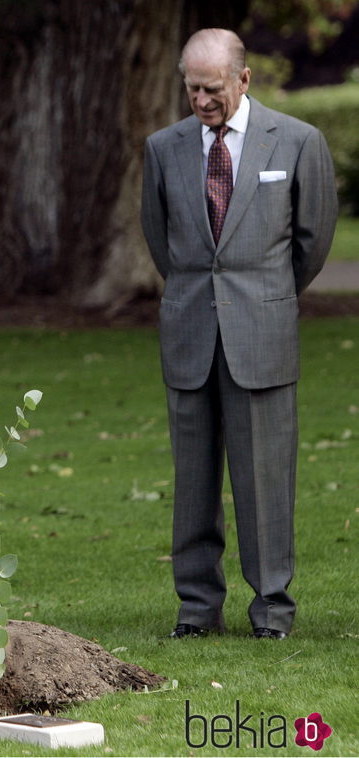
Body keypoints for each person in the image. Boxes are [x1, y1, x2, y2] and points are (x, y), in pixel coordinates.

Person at [141, 29, 337, 640]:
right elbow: (160, 237)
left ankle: (272, 609)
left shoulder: (300, 142)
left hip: (263, 335)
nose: (201, 100)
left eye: (213, 88)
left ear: (243, 80)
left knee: (265, 483)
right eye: (192, 88)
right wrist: (200, 293)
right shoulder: (162, 148)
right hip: (190, 333)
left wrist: (265, 297)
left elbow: (313, 241)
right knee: (193, 484)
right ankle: (197, 611)